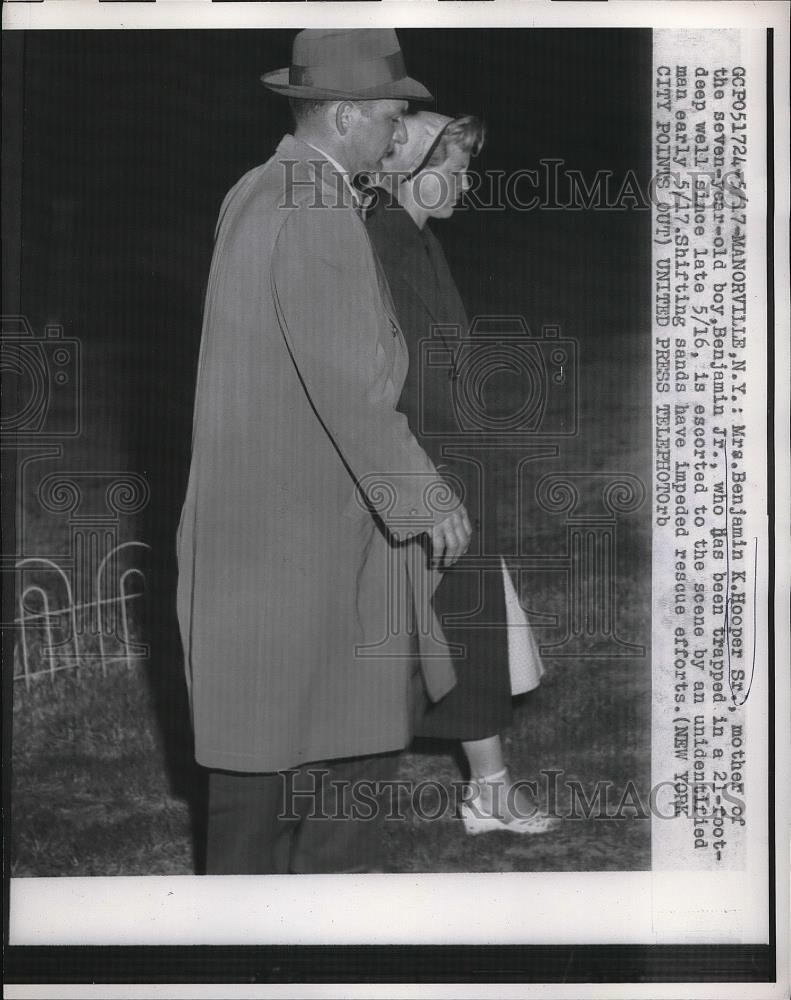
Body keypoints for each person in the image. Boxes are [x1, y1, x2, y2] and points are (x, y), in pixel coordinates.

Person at [176, 31, 472, 875]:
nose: (398, 132)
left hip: (258, 537)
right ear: (345, 116)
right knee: (350, 755)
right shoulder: (318, 212)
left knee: (258, 769)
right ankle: (317, 948)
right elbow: (349, 385)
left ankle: (242, 953)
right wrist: (427, 499)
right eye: (390, 115)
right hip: (307, 540)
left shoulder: (260, 189)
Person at [365, 112, 559, 834]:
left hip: (449, 461)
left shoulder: (415, 239)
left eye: (470, 168)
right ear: (407, 168)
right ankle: (487, 790)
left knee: (459, 630)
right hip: (418, 468)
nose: (468, 183)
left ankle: (488, 788)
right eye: (456, 166)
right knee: (442, 632)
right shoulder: (380, 242)